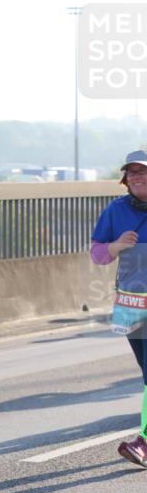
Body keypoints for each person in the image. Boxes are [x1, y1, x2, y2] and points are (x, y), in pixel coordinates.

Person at [91, 149, 147, 469]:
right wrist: (117, 246)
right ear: (125, 180)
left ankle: (145, 441)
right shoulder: (117, 210)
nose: (138, 176)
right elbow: (98, 255)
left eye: (144, 171)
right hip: (130, 304)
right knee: (146, 376)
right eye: (132, 172)